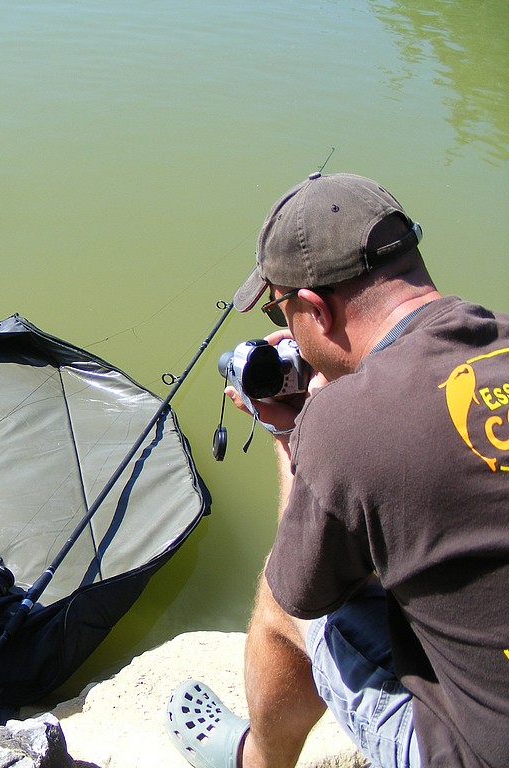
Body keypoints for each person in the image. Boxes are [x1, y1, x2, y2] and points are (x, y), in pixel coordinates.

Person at [166, 172, 509, 768]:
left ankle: (255, 759)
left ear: (316, 311)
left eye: (281, 311)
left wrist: (290, 434)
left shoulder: (346, 423)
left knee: (282, 610)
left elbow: (303, 591)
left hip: (475, 753)